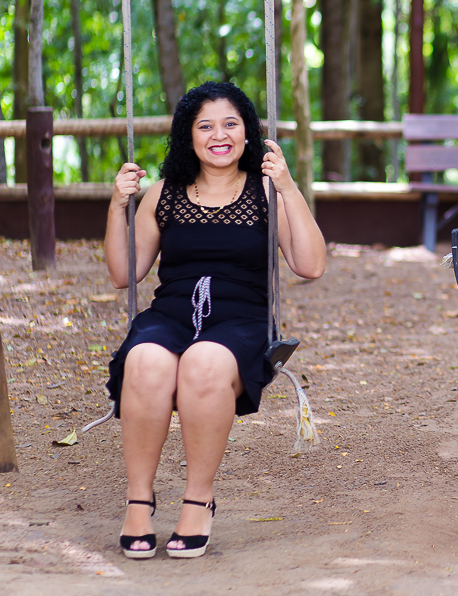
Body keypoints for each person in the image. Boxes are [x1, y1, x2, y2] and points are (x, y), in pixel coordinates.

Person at [105, 82, 326, 559]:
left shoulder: (266, 192)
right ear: (188, 137)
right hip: (171, 314)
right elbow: (125, 274)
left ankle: (198, 500)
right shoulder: (163, 194)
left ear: (248, 132)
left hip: (241, 321)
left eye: (230, 123)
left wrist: (288, 187)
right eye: (205, 126)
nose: (218, 135)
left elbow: (310, 265)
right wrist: (115, 203)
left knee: (204, 362)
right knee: (144, 360)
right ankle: (138, 500)